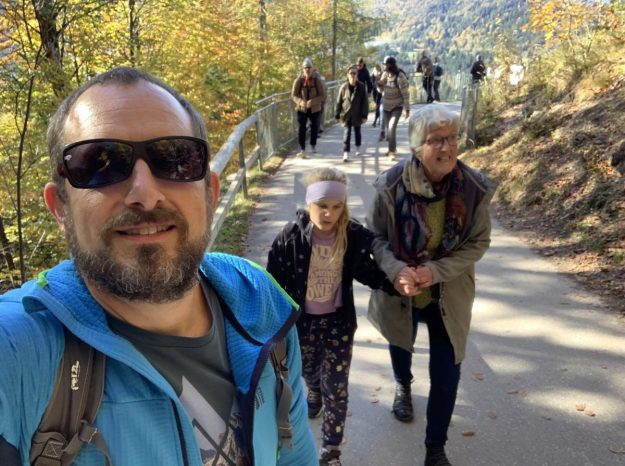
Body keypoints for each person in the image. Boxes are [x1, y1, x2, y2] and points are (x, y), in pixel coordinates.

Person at [0, 67, 317, 466]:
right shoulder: (19, 348)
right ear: (60, 208)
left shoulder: (260, 302)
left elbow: (295, 456)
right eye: (100, 164)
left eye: (175, 159)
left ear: (210, 194)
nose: (145, 195)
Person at [365, 104, 497, 466]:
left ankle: (435, 448)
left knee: (447, 371)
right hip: (402, 289)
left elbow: (478, 242)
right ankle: (403, 385)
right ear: (416, 146)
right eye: (436, 140)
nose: (447, 147)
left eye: (452, 138)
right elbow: (374, 237)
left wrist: (435, 271)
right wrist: (397, 270)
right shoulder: (391, 186)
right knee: (401, 342)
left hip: (448, 293)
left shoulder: (473, 188)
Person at [267, 167, 414, 466]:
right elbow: (273, 282)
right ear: (309, 203)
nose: (329, 214)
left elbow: (367, 272)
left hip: (338, 324)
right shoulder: (290, 237)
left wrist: (397, 285)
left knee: (337, 387)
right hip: (302, 324)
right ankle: (314, 390)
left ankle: (331, 452)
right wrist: (271, 322)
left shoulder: (351, 236)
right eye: (322, 206)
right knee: (309, 373)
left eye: (336, 207)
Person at [376, 56, 410, 160]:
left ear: (390, 65)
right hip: (386, 106)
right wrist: (378, 84)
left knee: (391, 127)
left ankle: (391, 152)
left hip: (397, 107)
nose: (384, 66)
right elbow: (380, 90)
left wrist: (407, 110)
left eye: (385, 65)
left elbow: (405, 94)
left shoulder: (400, 77)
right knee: (389, 129)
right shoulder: (385, 75)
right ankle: (393, 148)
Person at [292, 57, 326, 158]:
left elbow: (322, 95)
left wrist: (313, 102)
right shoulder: (299, 80)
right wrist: (301, 102)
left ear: (312, 68)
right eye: (305, 67)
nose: (307, 69)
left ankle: (313, 145)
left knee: (314, 127)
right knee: (301, 128)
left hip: (314, 108)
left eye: (309, 67)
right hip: (302, 108)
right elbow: (294, 95)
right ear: (303, 69)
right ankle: (302, 148)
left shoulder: (317, 80)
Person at [335, 64, 369, 162]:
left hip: (357, 114)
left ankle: (358, 148)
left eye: (354, 73)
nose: (352, 75)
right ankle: (346, 153)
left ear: (357, 74)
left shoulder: (361, 87)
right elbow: (339, 101)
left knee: (357, 132)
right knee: (347, 134)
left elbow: (365, 102)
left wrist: (364, 115)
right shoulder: (343, 87)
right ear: (347, 75)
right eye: (351, 73)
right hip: (346, 114)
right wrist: (337, 115)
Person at [371, 63, 383, 127]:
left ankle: (375, 120)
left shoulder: (382, 74)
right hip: (374, 92)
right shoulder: (373, 74)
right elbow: (371, 83)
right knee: (377, 106)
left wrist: (379, 79)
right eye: (376, 68)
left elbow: (382, 83)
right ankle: (379, 118)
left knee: (378, 106)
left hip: (380, 92)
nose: (377, 69)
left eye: (378, 68)